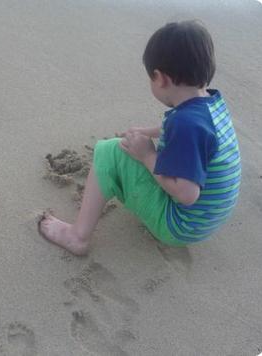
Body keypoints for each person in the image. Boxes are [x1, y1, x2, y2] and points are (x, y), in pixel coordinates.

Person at [38, 20, 241, 255]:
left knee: (109, 151)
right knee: (130, 150)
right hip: (207, 219)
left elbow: (187, 194)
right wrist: (147, 132)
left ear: (160, 78)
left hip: (179, 225)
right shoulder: (209, 103)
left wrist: (146, 155)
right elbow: (192, 137)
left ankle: (77, 237)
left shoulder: (185, 124)